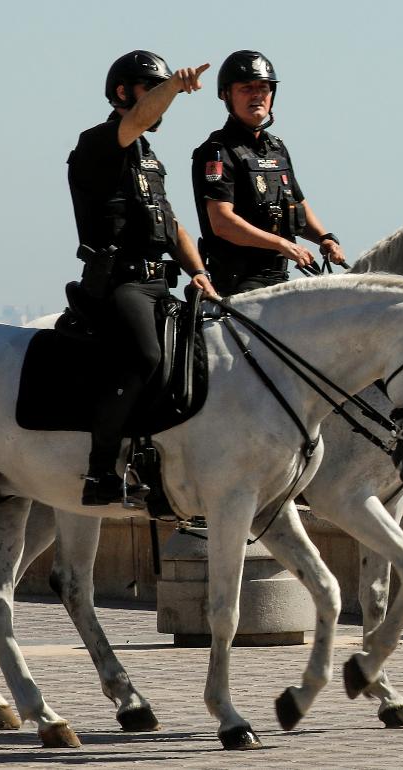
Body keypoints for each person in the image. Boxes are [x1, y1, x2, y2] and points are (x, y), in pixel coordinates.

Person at [68, 51, 217, 505]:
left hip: (161, 283)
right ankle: (100, 470)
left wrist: (199, 272)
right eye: (146, 90)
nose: (158, 103)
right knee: (145, 356)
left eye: (158, 90)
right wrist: (171, 86)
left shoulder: (148, 157)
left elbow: (172, 225)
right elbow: (138, 118)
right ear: (121, 94)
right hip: (120, 284)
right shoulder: (99, 142)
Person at [191, 51, 344, 296]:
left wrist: (325, 238)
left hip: (279, 278)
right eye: (246, 88)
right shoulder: (217, 152)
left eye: (263, 88)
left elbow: (297, 204)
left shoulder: (276, 148)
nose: (257, 95)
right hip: (237, 283)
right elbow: (222, 223)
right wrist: (282, 245)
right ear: (225, 94)